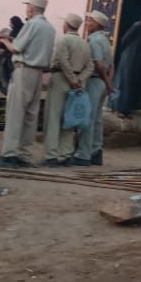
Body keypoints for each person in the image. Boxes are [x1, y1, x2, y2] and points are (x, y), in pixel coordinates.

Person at [0, 0, 56, 168]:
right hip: (38, 72)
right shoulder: (50, 28)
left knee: (15, 113)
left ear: (32, 9)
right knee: (30, 116)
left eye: (28, 8)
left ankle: (9, 153)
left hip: (23, 70)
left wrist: (5, 40)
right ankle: (24, 154)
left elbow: (16, 48)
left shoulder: (32, 24)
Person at [43, 14, 94, 167]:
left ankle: (51, 155)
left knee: (53, 118)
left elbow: (63, 61)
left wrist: (71, 79)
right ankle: (65, 154)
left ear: (67, 24)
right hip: (76, 83)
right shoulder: (85, 43)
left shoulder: (63, 40)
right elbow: (90, 66)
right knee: (69, 119)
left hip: (60, 79)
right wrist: (79, 80)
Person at [68, 10, 113, 167]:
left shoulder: (94, 41)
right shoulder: (105, 40)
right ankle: (95, 151)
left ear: (97, 24)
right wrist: (108, 83)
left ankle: (83, 154)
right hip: (101, 83)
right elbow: (110, 65)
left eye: (90, 21)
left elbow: (99, 64)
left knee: (87, 118)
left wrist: (107, 83)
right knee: (97, 119)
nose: (87, 24)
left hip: (94, 81)